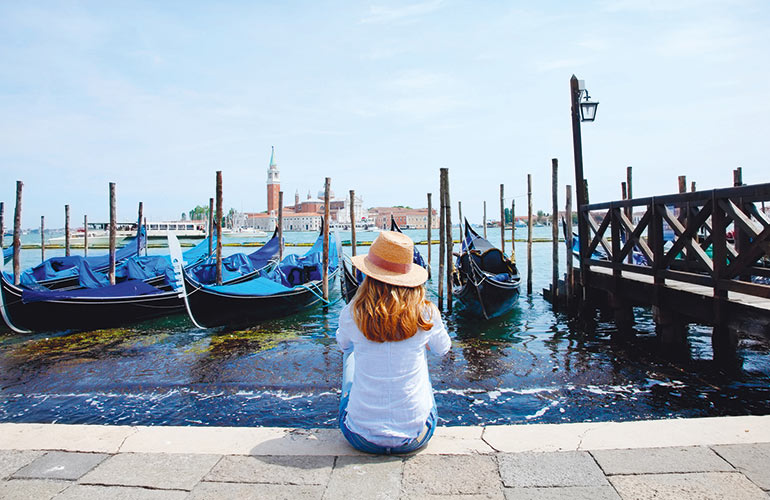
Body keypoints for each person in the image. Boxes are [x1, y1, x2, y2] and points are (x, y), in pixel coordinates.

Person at [336, 231, 450, 454]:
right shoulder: (426, 312)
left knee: (349, 355)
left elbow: (344, 346)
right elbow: (443, 349)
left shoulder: (352, 313)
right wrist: (420, 340)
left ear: (369, 275)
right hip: (416, 436)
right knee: (421, 358)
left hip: (359, 436)